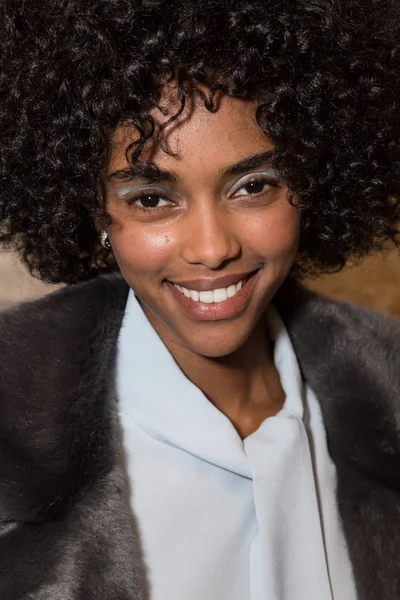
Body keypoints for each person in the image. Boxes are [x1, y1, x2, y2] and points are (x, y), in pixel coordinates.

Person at [0, 0, 399, 598]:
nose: (212, 249)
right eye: (151, 198)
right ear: (93, 211)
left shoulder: (387, 384)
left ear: (312, 180)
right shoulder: (12, 428)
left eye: (254, 186)